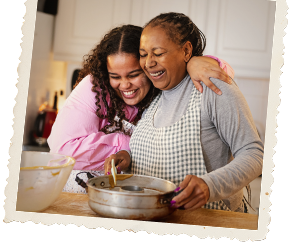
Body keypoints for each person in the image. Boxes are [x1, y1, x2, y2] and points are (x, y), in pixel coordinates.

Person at [104, 13, 264, 213]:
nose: (149, 63)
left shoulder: (210, 87)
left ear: (186, 51)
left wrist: (209, 185)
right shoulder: (154, 96)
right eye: (144, 54)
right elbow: (159, 152)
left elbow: (254, 153)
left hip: (212, 220)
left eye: (158, 53)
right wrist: (128, 157)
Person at [47, 24, 234, 193]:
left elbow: (224, 75)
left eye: (133, 74)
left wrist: (196, 62)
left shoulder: (164, 86)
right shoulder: (96, 86)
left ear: (148, 66)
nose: (124, 85)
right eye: (116, 76)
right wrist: (131, 144)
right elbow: (63, 151)